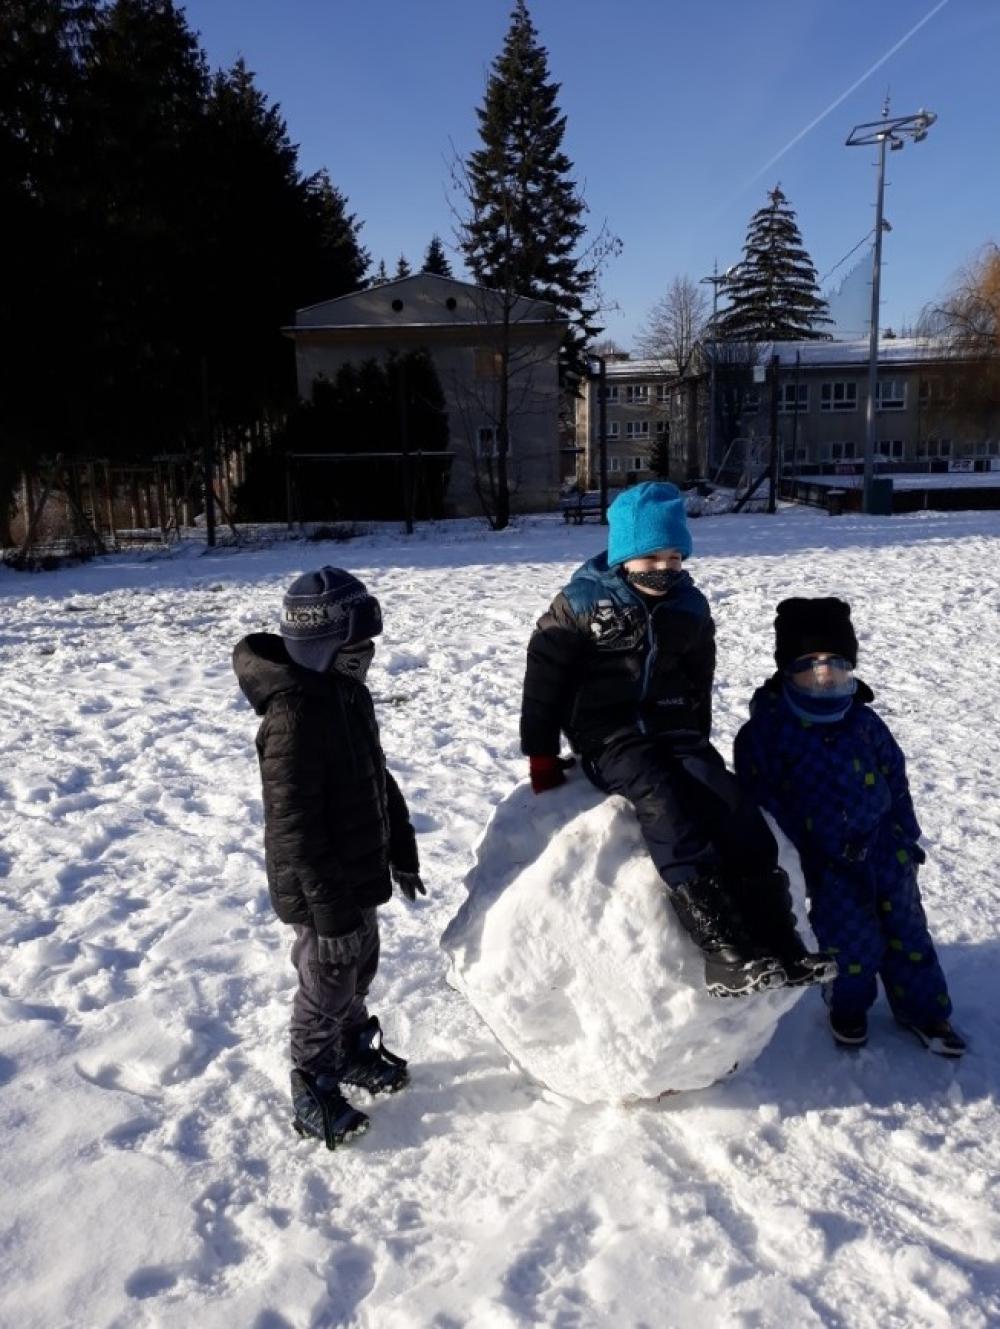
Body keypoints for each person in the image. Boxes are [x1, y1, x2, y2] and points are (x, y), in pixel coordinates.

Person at [520, 481, 833, 997]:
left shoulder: (688, 605)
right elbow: (543, 681)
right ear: (624, 556)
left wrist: (697, 739)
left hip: (672, 724)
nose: (664, 567)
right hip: (608, 733)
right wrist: (541, 752)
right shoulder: (581, 604)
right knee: (661, 797)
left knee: (730, 804)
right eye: (649, 557)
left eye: (673, 555)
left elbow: (698, 677)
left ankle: (780, 938)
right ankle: (722, 948)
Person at [233, 567, 427, 1149]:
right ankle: (312, 1080)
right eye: (355, 646)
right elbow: (295, 830)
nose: (366, 657)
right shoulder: (292, 717)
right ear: (322, 644)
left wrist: (402, 845)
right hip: (320, 890)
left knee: (357, 972)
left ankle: (347, 1051)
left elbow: (376, 773)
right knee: (326, 984)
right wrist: (331, 914)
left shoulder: (346, 694)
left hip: (357, 874)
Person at [734, 596, 965, 1056]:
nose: (824, 675)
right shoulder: (767, 732)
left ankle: (926, 1013)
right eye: (809, 663)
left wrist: (905, 835)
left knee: (908, 934)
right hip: (829, 860)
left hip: (885, 850)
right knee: (850, 943)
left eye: (836, 663)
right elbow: (763, 802)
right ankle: (849, 1008)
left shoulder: (863, 721)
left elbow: (895, 778)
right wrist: (801, 858)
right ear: (786, 670)